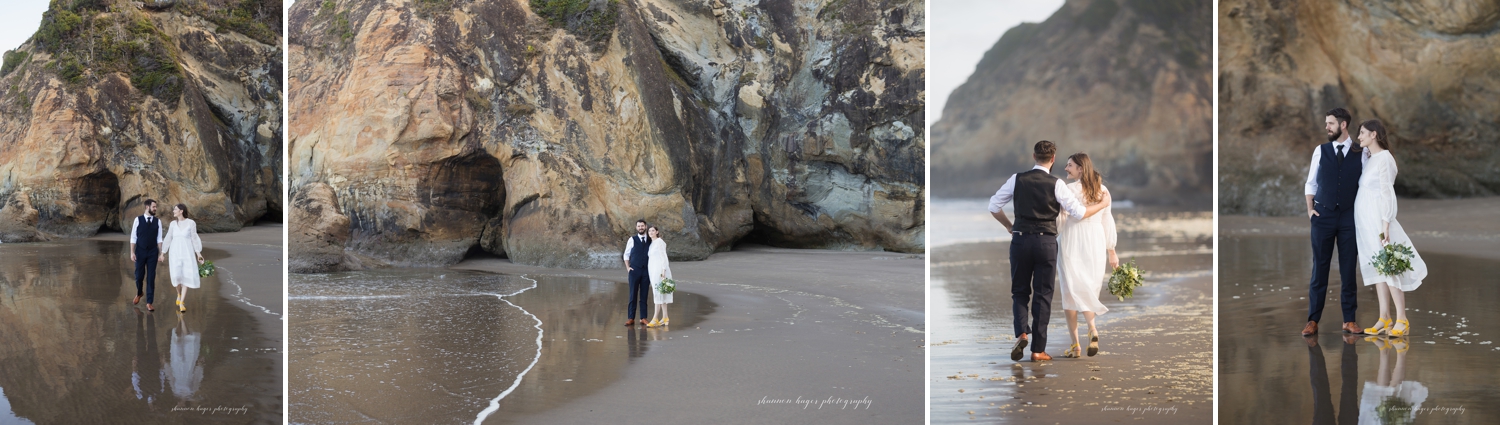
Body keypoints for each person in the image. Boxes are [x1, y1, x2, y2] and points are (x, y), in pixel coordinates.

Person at [988, 140, 1111, 362]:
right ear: (1053, 159)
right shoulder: (1058, 184)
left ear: (1034, 157)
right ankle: (1038, 351)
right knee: (1043, 296)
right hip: (1045, 243)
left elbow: (993, 206)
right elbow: (1079, 212)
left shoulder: (1017, 179)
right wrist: (1102, 205)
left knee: (1019, 292)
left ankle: (1022, 333)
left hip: (1020, 240)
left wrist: (1009, 225)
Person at [1354, 119, 1427, 337]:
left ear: (1374, 134)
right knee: (1378, 269)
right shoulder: (1370, 158)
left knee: (1390, 267)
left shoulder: (1384, 158)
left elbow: (1387, 192)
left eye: (1362, 133)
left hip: (1378, 221)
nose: (1359, 137)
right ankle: (1384, 318)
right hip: (1366, 223)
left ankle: (1402, 319)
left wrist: (1386, 222)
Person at [1303, 108, 1367, 336]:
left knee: (1348, 269)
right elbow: (1311, 184)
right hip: (1323, 216)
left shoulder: (1362, 152)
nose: (1326, 127)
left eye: (1330, 123)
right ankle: (1312, 320)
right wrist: (1311, 210)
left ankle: (1349, 320)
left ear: (1343, 125)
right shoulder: (1320, 151)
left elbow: (1368, 185)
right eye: (1326, 123)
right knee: (1319, 269)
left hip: (1350, 218)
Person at [1056, 153, 1117, 358]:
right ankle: (1092, 328)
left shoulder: (1068, 190)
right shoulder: (1103, 190)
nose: (1066, 169)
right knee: (1089, 288)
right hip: (1096, 241)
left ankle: (1076, 345)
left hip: (1072, 239)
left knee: (1070, 291)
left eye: (1070, 165)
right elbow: (1107, 222)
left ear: (1081, 168)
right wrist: (1112, 251)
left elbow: (1061, 221)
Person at [159, 204, 204, 313]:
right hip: (175, 254)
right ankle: (178, 294)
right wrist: (162, 253)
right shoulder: (173, 224)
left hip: (187, 253)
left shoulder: (191, 223)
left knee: (185, 276)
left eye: (175, 209)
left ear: (181, 211)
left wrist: (198, 254)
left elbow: (194, 238)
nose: (173, 211)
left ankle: (182, 302)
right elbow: (168, 238)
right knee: (176, 277)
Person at [130, 199, 164, 311]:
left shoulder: (157, 221)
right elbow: (133, 237)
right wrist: (132, 252)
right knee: (139, 276)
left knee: (151, 277)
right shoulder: (138, 220)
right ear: (147, 207)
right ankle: (139, 293)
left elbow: (159, 239)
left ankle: (149, 302)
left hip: (152, 252)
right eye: (153, 207)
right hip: (140, 251)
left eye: (155, 207)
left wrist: (161, 253)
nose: (155, 209)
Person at [621, 219, 651, 326]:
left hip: (646, 271)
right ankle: (631, 318)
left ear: (646, 226)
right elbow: (626, 255)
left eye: (642, 226)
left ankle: (643, 318)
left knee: (644, 294)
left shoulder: (650, 240)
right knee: (632, 294)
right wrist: (628, 268)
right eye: (638, 226)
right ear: (636, 228)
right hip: (634, 270)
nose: (641, 228)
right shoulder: (632, 239)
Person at [645, 226, 674, 327]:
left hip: (659, 271)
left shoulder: (659, 242)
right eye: (649, 231)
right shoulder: (652, 243)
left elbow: (664, 257)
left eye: (653, 230)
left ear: (657, 232)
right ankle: (665, 317)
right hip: (653, 271)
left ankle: (655, 318)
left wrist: (663, 271)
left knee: (657, 293)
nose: (651, 232)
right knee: (661, 293)